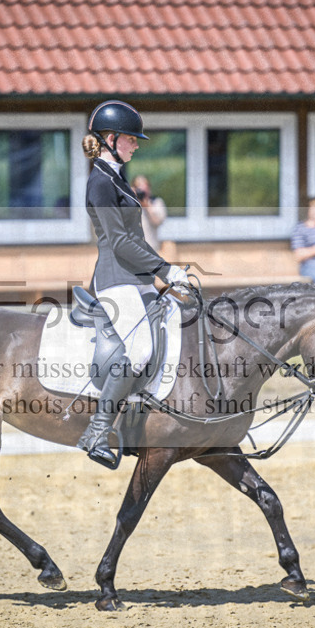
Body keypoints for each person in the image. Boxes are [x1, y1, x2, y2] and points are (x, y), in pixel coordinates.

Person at [78, 100, 189, 469]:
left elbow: (136, 239)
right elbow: (119, 241)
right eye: (131, 139)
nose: (136, 145)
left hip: (135, 277)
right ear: (110, 139)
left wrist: (166, 275)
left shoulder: (115, 177)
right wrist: (165, 270)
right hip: (115, 278)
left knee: (173, 329)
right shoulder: (99, 182)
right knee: (139, 350)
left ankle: (137, 422)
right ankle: (97, 431)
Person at [131, 174, 167, 251]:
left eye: (144, 185)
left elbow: (157, 221)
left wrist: (147, 206)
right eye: (138, 185)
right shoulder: (130, 204)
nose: (142, 188)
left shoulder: (156, 202)